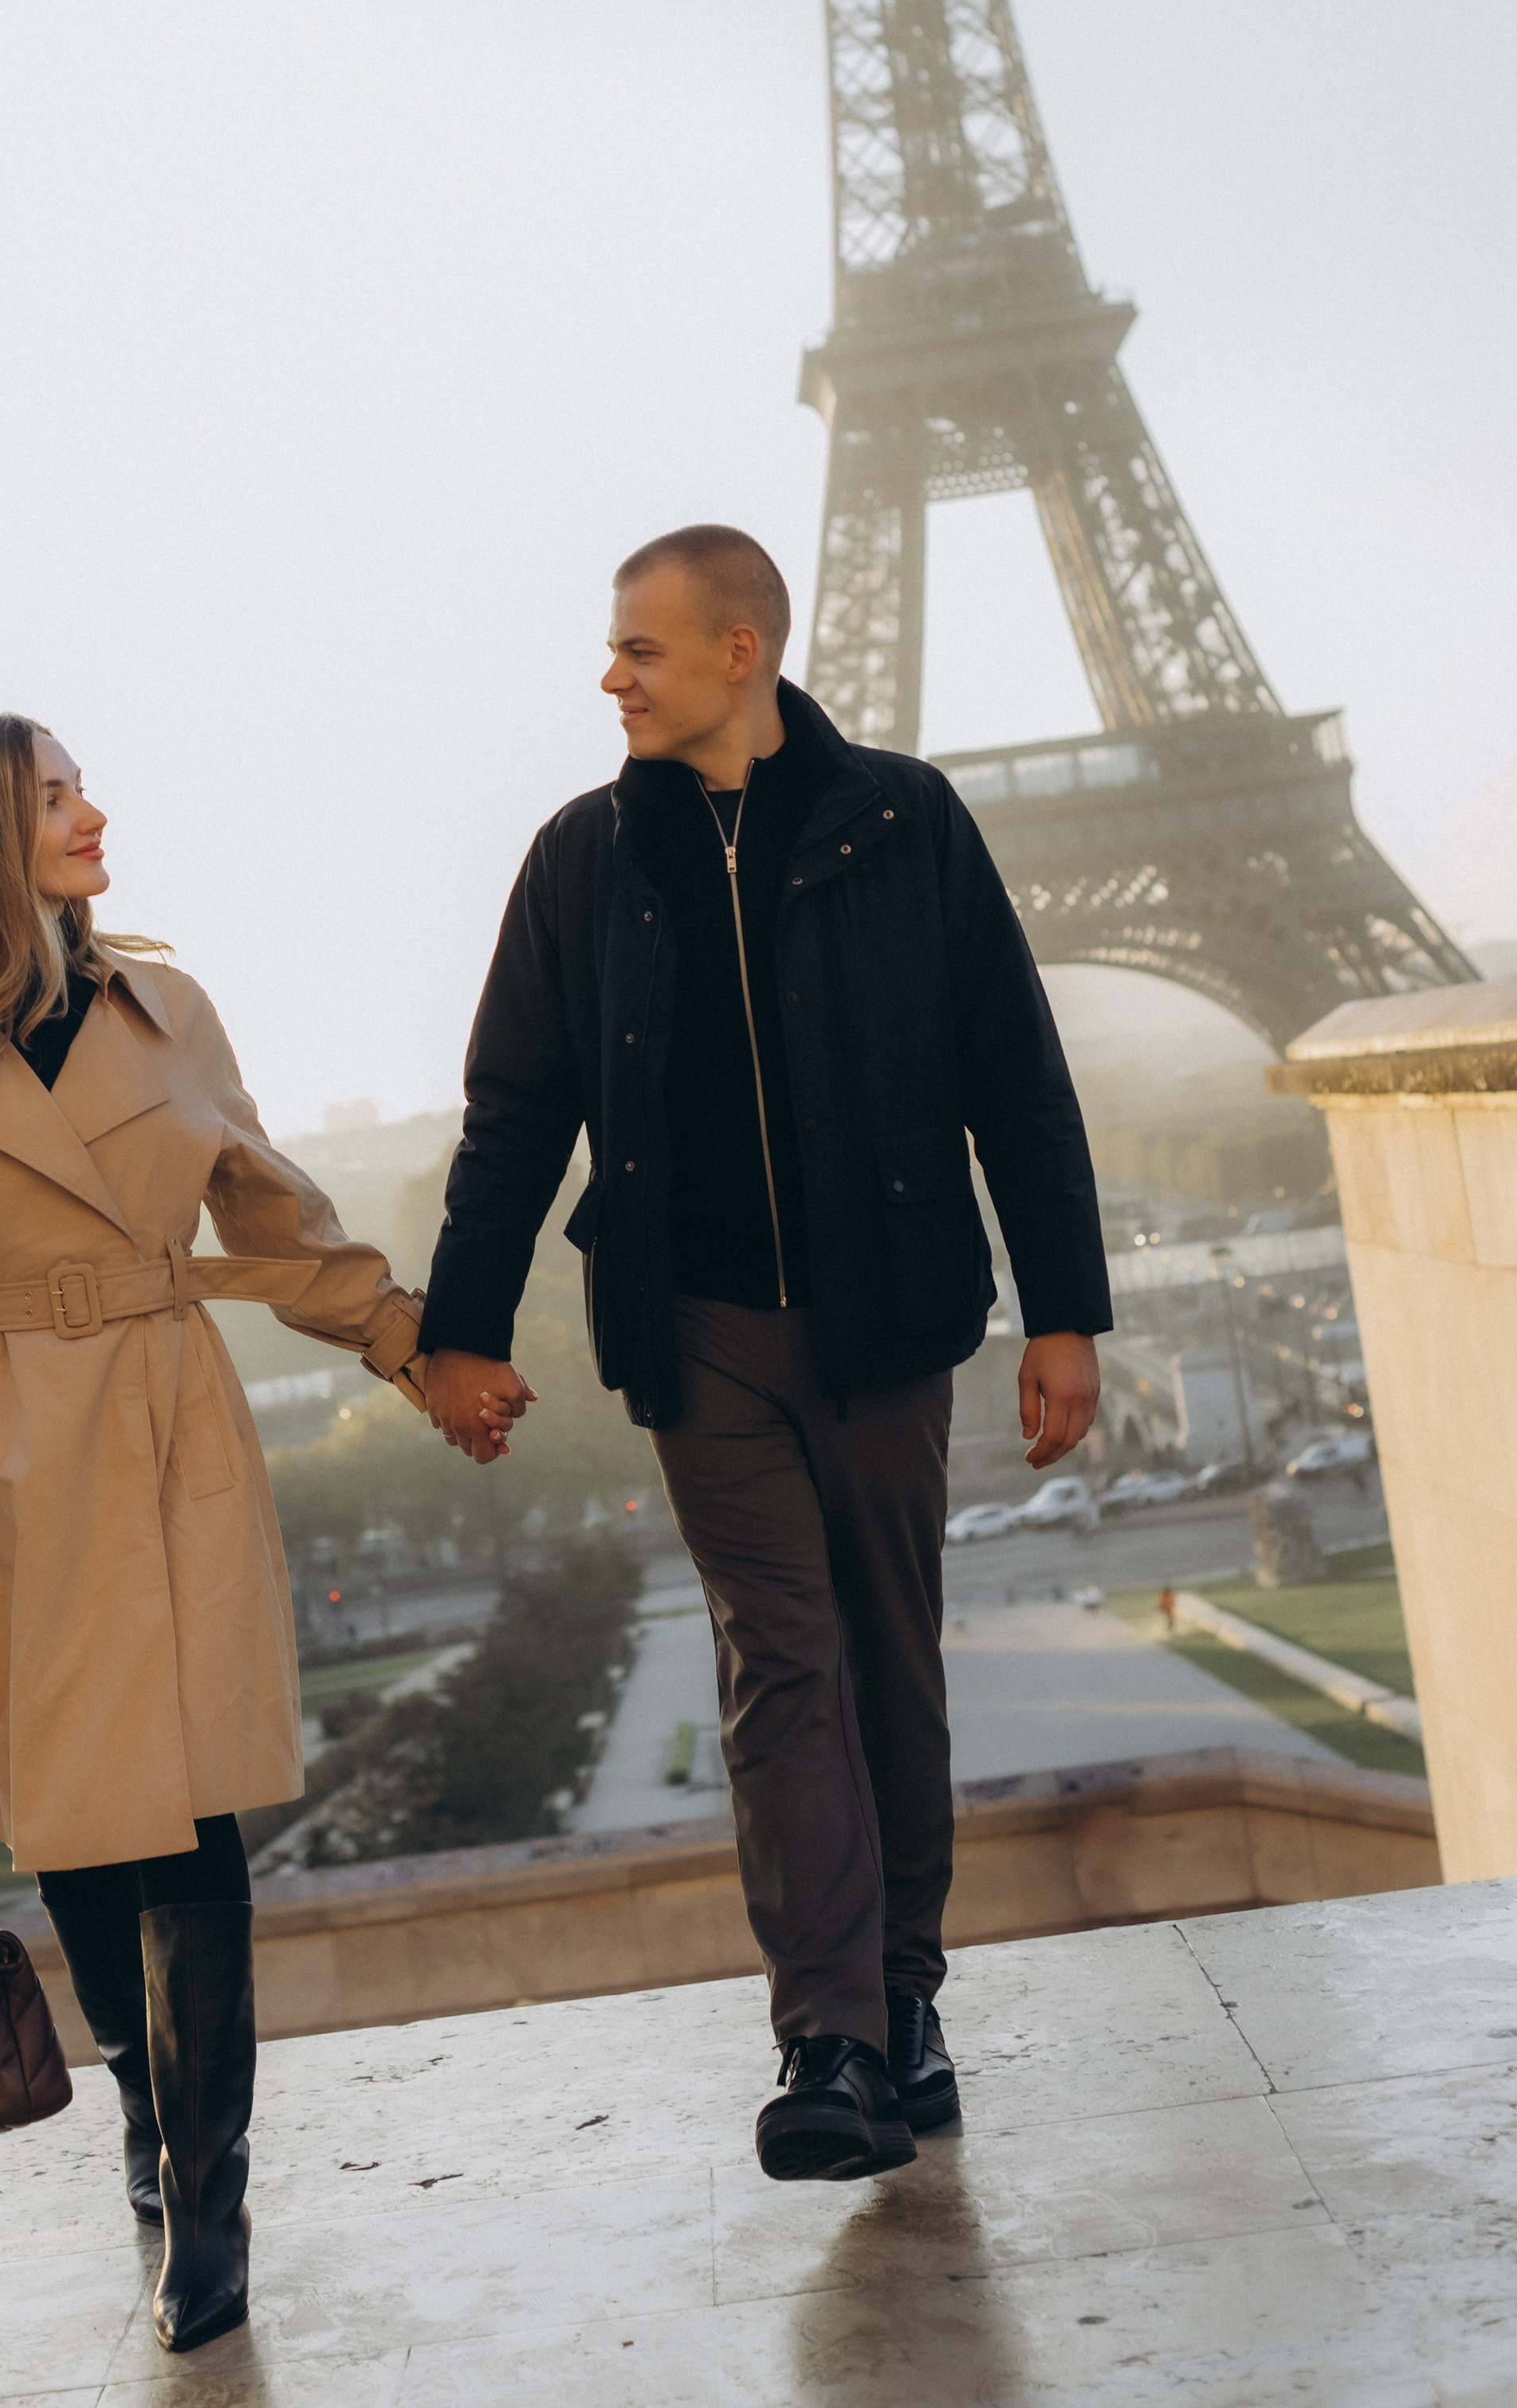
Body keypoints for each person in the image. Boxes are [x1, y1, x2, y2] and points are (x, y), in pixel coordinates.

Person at [416, 527, 1111, 2183]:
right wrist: (457, 1326)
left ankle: (902, 2000)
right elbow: (514, 1111)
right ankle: (828, 2038)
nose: (608, 677)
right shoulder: (578, 859)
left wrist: (1062, 1310)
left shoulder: (904, 822)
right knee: (780, 1664)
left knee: (887, 1657)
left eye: (636, 651)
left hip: (888, 1319)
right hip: (697, 1329)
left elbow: (1007, 1073)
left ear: (738, 651)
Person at [0, 715, 481, 2352]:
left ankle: (208, 2200)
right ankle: (142, 2110)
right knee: (73, 1836)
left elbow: (270, 1212)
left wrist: (408, 1343)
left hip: (163, 1430)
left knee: (185, 1828)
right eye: (56, 797)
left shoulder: (165, 1009)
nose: (93, 813)